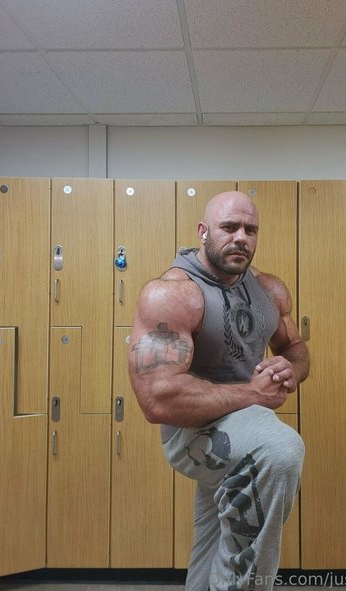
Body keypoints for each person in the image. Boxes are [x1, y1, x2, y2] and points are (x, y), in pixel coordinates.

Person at [129, 191, 309, 591]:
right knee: (280, 451)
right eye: (229, 227)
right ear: (203, 231)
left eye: (250, 229)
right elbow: (158, 399)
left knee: (213, 542)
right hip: (192, 433)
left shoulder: (269, 290)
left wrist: (291, 369)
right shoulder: (173, 294)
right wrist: (255, 395)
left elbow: (295, 348)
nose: (241, 237)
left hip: (245, 424)